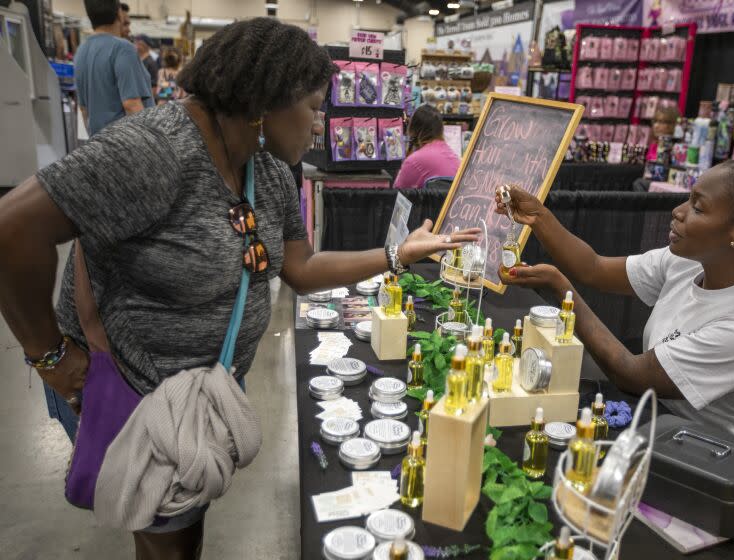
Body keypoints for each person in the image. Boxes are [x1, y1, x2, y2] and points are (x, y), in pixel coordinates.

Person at [0, 18, 478, 558]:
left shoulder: (268, 169)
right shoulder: (154, 150)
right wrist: (51, 356)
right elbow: (11, 231)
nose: (321, 124)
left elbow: (300, 268)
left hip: (200, 393)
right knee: (168, 540)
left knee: (182, 528)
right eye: (314, 106)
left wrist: (397, 254)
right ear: (267, 100)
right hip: (135, 389)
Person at [496, 159, 734, 485]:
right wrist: (538, 216)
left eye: (698, 208)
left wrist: (561, 290)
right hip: (677, 443)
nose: (678, 211)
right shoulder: (690, 262)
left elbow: (630, 374)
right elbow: (593, 268)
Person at [74, 0, 153, 136]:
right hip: (126, 144)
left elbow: (83, 109)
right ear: (119, 14)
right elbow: (132, 104)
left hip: (99, 144)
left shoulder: (81, 51)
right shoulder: (123, 48)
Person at [392, 104, 461, 189]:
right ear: (440, 128)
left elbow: (397, 193)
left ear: (413, 128)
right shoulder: (453, 155)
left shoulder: (414, 160)